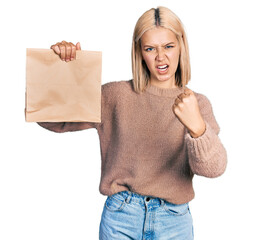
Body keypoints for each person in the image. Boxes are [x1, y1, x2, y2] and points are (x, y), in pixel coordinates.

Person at [37, 6, 227, 240]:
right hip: (121, 217)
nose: (160, 57)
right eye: (150, 48)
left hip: (174, 222)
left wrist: (197, 128)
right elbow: (49, 118)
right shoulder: (116, 96)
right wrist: (58, 68)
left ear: (181, 46)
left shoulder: (197, 104)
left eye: (168, 46)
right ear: (140, 52)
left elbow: (214, 169)